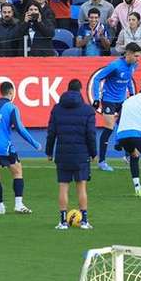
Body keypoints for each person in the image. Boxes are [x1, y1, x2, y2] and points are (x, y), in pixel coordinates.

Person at [0, 81, 42, 214]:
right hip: (3, 147)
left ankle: (0, 208)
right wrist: (35, 143)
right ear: (11, 93)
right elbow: (20, 129)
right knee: (17, 171)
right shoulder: (11, 108)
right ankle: (18, 204)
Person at [45, 79, 96, 230]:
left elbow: (51, 133)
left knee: (63, 187)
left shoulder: (57, 109)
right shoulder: (87, 110)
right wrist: (94, 153)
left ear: (67, 90)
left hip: (62, 154)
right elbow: (91, 135)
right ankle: (85, 221)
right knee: (81, 188)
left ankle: (62, 222)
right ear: (80, 90)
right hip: (81, 154)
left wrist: (49, 152)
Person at [89, 42, 141, 172]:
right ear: (128, 54)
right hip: (109, 100)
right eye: (136, 56)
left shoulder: (134, 65)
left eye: (138, 56)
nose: (138, 58)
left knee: (127, 126)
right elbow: (97, 79)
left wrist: (133, 95)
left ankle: (126, 154)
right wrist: (96, 98)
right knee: (109, 128)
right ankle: (102, 162)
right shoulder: (115, 65)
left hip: (122, 100)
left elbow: (129, 79)